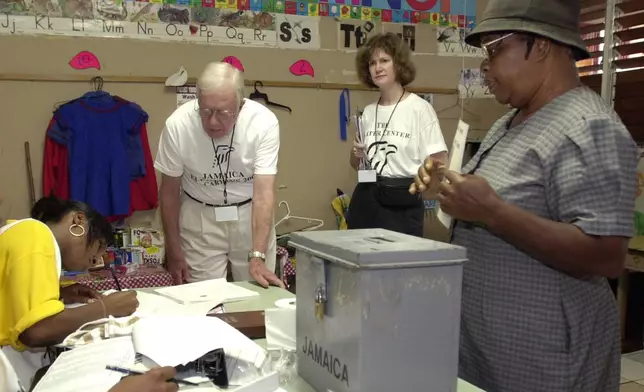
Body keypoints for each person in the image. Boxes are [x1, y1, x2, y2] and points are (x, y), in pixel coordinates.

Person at [410, 0, 637, 391]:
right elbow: (494, 199)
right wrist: (446, 186)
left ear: (543, 46)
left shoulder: (591, 127)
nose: (487, 70)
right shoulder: (509, 123)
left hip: (548, 362)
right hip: (489, 349)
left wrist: (494, 213)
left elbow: (607, 255)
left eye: (496, 50)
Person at [155, 62, 282, 288]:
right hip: (200, 216)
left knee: (257, 292)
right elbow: (169, 193)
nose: (213, 121)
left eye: (223, 113)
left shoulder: (263, 122)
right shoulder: (178, 124)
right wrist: (173, 251)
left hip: (249, 214)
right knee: (203, 298)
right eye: (205, 111)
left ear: (240, 104)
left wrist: (258, 254)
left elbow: (264, 193)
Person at [0, 196, 139, 389]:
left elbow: (9, 298)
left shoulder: (19, 232)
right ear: (78, 220)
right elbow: (35, 331)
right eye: (98, 247)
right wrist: (107, 307)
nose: (94, 261)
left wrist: (60, 293)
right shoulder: (35, 233)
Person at [347, 32, 448, 237]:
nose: (378, 67)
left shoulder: (419, 108)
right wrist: (356, 155)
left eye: (384, 60)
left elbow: (439, 162)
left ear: (398, 64)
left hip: (403, 203)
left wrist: (424, 186)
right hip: (366, 200)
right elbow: (357, 166)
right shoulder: (367, 112)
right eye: (372, 63)